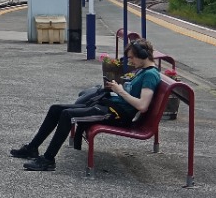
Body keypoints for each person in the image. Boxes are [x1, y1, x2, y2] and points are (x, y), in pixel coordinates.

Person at [10, 38, 162, 172]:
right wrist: (116, 89)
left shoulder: (150, 75)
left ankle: (48, 160)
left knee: (67, 115)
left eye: (132, 58)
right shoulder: (143, 71)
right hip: (109, 107)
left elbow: (142, 106)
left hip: (116, 114)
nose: (130, 61)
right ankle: (32, 148)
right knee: (56, 109)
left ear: (143, 55)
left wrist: (120, 91)